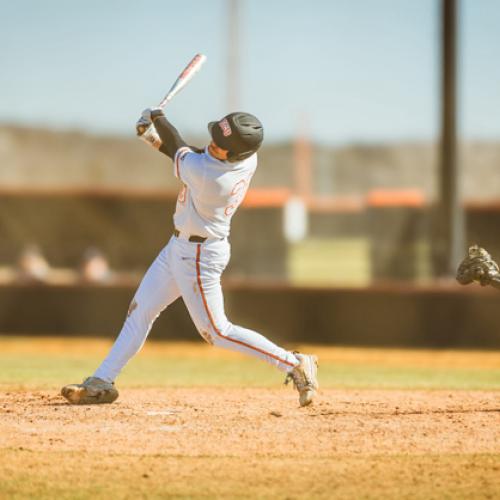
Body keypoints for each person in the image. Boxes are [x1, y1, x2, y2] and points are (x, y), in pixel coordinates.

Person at [61, 108, 318, 407]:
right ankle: (101, 381)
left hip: (199, 255)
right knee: (140, 312)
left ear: (235, 154)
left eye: (222, 143)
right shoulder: (245, 158)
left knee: (217, 332)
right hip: (179, 247)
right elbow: (189, 153)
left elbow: (181, 148)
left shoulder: (211, 177)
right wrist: (155, 138)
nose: (213, 143)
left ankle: (294, 363)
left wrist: (157, 118)